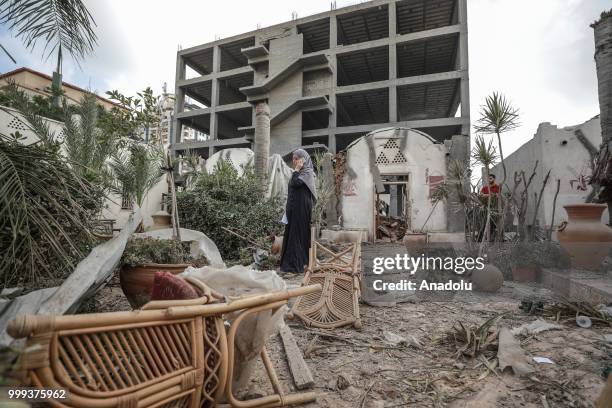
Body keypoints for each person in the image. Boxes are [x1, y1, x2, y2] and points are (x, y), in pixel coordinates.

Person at [280, 149, 318, 273]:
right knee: (291, 235)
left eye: (297, 158)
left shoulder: (307, 173)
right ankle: (291, 264)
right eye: (293, 158)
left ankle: (295, 265)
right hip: (293, 209)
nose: (294, 161)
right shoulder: (299, 173)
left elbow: (295, 183)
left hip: (301, 210)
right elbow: (292, 185)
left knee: (297, 236)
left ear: (303, 160)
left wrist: (296, 170)